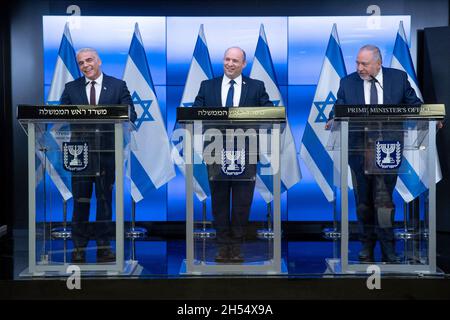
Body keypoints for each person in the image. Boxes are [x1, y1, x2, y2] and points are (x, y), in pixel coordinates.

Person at [328, 45, 421, 263]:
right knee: (363, 202)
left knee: (384, 201)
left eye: (364, 64)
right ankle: (366, 247)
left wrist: (431, 118)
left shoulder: (398, 78)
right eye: (357, 63)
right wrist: (334, 119)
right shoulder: (347, 82)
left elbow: (415, 105)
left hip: (387, 151)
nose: (359, 68)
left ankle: (389, 250)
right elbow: (338, 108)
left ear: (378, 63)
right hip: (358, 150)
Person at [193, 47, 273, 263]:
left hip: (246, 152)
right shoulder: (207, 86)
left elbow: (269, 110)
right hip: (215, 151)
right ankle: (222, 246)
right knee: (219, 202)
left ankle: (236, 247)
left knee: (241, 202)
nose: (230, 64)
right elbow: (194, 111)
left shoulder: (257, 87)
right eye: (227, 59)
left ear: (243, 64)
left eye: (235, 60)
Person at [60, 48, 137, 263]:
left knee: (104, 202)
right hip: (79, 154)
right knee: (80, 201)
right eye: (81, 63)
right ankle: (79, 248)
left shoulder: (117, 85)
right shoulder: (71, 88)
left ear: (99, 61)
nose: (86, 65)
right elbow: (60, 116)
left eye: (89, 60)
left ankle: (104, 248)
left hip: (106, 154)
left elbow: (132, 113)